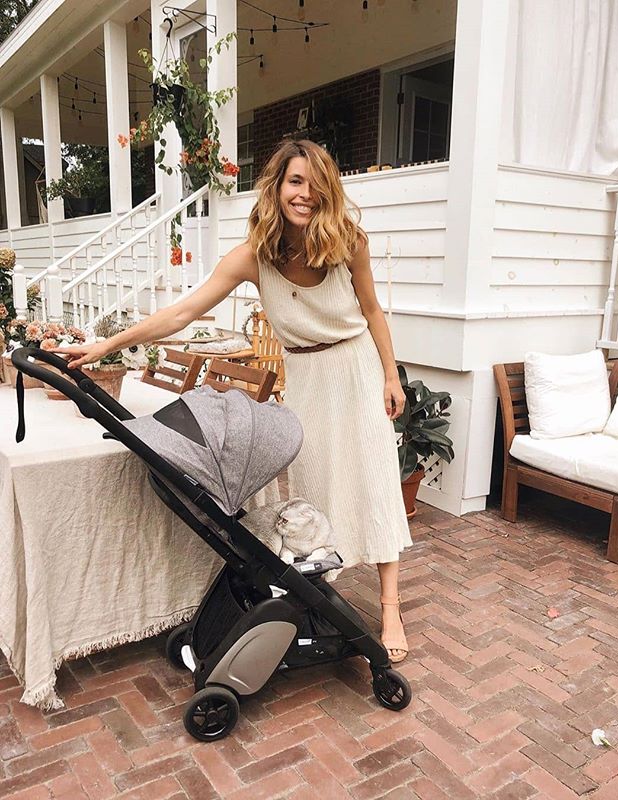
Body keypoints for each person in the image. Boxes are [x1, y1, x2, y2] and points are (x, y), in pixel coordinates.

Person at [58, 139, 412, 663]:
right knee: (315, 482)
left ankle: (389, 607)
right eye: (295, 181)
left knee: (374, 479)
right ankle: (320, 587)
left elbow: (373, 311)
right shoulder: (253, 258)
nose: (305, 194)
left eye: (315, 184)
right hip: (307, 374)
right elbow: (182, 313)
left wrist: (390, 375)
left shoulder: (348, 243)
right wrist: (107, 345)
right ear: (277, 188)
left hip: (356, 366)